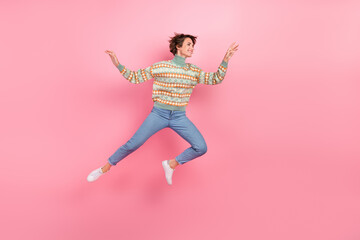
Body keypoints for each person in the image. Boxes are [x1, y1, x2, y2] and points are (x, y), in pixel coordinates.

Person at [87, 33, 238, 185]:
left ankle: (171, 164)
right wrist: (117, 64)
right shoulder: (161, 66)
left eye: (193, 46)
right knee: (133, 144)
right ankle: (104, 168)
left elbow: (216, 78)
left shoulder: (194, 71)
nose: (192, 48)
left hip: (179, 117)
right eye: (188, 45)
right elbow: (135, 77)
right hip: (159, 114)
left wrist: (226, 60)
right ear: (178, 47)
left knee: (201, 147)